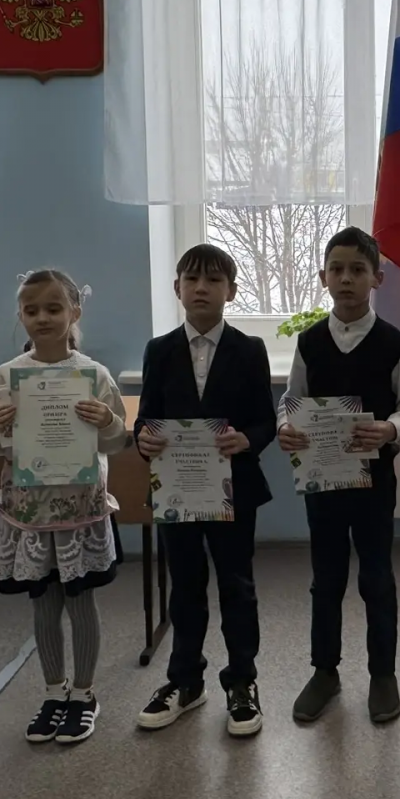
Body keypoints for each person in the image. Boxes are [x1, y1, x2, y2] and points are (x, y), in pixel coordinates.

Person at [277, 227, 400, 725]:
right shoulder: (309, 342)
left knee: (376, 577)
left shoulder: (393, 343)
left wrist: (389, 428)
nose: (346, 278)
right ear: (323, 277)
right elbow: (291, 400)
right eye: (337, 269)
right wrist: (285, 428)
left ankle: (383, 674)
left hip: (374, 484)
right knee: (326, 578)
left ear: (376, 278)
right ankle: (325, 671)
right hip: (322, 484)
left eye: (357, 270)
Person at [0, 270, 127, 745]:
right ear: (20, 316)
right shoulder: (7, 376)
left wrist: (107, 419)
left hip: (79, 509)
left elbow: (116, 441)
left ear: (74, 313)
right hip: (30, 512)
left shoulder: (94, 375)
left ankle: (84, 694)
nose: (42, 317)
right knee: (43, 604)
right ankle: (52, 692)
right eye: (31, 309)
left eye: (54, 308)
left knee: (81, 602)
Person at [133, 246, 275, 738]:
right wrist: (144, 439)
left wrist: (247, 439)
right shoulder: (158, 350)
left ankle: (242, 681)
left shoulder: (250, 349)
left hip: (233, 490)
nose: (201, 288)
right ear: (177, 288)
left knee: (237, 585)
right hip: (177, 491)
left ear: (230, 291)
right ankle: (185, 680)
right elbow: (146, 419)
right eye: (191, 279)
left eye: (213, 280)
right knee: (186, 586)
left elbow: (265, 420)